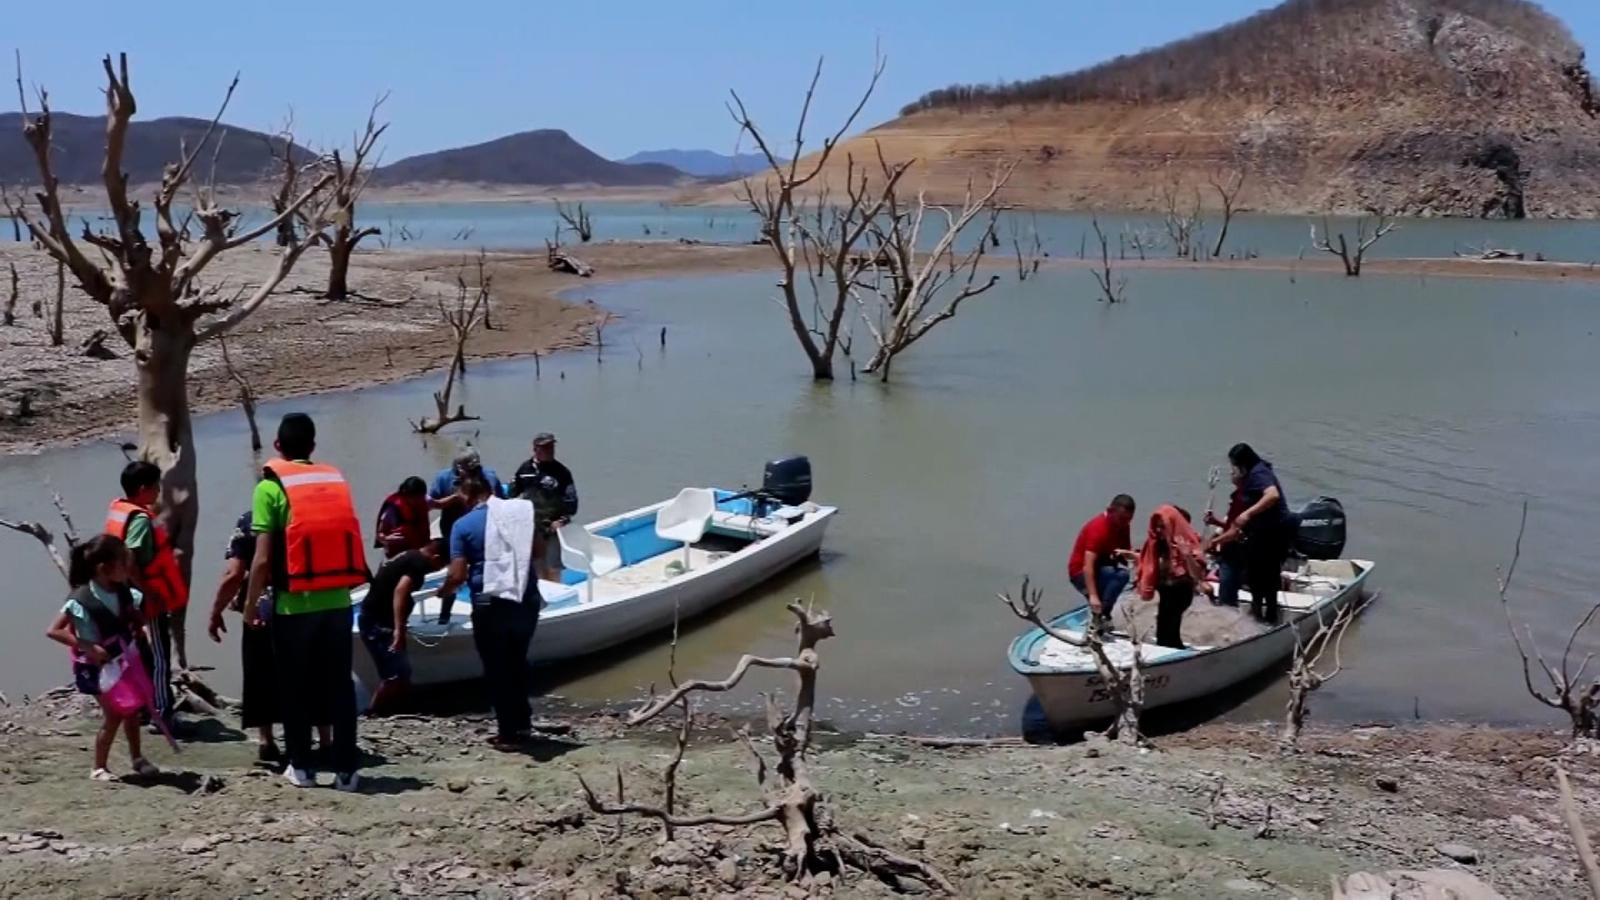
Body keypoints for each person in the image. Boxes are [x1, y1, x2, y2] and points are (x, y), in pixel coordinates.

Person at [244, 413, 370, 791]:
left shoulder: (269, 489)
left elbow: (263, 559)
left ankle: (302, 768)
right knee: (340, 687)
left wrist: (250, 607)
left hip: (293, 606)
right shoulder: (334, 480)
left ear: (278, 447)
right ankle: (347, 770)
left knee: (294, 687)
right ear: (313, 448)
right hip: (338, 602)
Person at [206, 511, 333, 764]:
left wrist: (215, 611)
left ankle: (267, 740)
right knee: (312, 671)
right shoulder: (308, 514)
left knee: (260, 668)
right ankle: (326, 740)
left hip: (263, 607)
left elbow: (234, 573)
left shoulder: (249, 521)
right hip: (308, 603)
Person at [438, 472, 540, 751]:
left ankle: (508, 732)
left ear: (466, 496)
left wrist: (444, 591)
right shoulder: (519, 514)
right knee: (517, 660)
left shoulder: (462, 525)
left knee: (497, 667)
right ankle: (523, 723)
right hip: (524, 598)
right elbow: (539, 552)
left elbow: (457, 575)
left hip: (489, 604)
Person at [45, 535, 161, 782]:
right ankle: (98, 767)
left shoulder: (126, 593)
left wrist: (142, 630)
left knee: (132, 710)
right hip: (95, 666)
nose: (128, 569)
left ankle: (137, 758)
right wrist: (88, 646)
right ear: (104, 568)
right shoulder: (80, 600)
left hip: (123, 659)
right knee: (114, 714)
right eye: (124, 563)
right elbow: (54, 631)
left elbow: (136, 618)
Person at [103, 461, 186, 733]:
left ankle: (141, 706)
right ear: (142, 489)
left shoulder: (119, 510)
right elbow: (131, 558)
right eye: (156, 487)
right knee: (160, 656)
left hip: (123, 596)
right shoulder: (138, 519)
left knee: (138, 654)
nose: (158, 492)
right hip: (143, 597)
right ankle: (162, 714)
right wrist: (149, 593)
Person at [1210, 443, 1292, 624]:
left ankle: (1270, 615)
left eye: (1234, 465)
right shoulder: (1251, 476)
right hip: (1259, 532)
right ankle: (1257, 613)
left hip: (1273, 532)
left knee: (1268, 576)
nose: (1233, 469)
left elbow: (1273, 495)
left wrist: (1248, 513)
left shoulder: (1258, 473)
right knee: (1255, 574)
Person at [359, 539, 444, 713]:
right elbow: (401, 591)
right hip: (378, 623)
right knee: (393, 676)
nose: (438, 570)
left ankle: (400, 708)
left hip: (374, 617)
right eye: (441, 565)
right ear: (436, 557)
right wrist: (399, 629)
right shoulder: (418, 564)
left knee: (403, 673)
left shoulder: (410, 554)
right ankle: (373, 713)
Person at [1136, 505, 1212, 650]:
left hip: (1180, 590)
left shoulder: (1186, 542)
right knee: (1162, 627)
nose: (1159, 530)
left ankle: (1174, 652)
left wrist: (1187, 555)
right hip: (1164, 590)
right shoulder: (1155, 544)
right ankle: (1164, 649)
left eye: (1162, 527)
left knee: (1170, 625)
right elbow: (1147, 564)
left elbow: (1197, 575)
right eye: (1157, 526)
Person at [511, 433, 578, 580]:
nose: (550, 450)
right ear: (535, 449)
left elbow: (572, 502)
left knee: (554, 568)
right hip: (530, 528)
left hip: (553, 528)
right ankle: (541, 599)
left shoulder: (562, 472)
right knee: (536, 567)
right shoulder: (524, 470)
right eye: (546, 447)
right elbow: (512, 495)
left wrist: (562, 520)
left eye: (552, 447)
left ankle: (556, 595)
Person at [1068, 495, 1138, 624]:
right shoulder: (1098, 528)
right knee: (1116, 578)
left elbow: (1126, 555)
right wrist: (1093, 596)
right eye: (1121, 518)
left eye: (1129, 519)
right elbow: (1087, 565)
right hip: (1080, 572)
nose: (1125, 523)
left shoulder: (1123, 526)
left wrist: (1134, 558)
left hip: (1102, 567)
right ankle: (1100, 616)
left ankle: (1102, 615)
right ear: (1110, 511)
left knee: (1123, 575)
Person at [429, 449, 504, 549]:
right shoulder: (443, 478)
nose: (474, 474)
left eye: (476, 470)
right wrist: (454, 498)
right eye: (469, 470)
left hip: (482, 527)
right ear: (459, 468)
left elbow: (501, 503)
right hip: (452, 527)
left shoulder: (490, 478)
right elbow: (431, 504)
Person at [1204, 468, 1250, 608]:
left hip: (1235, 553)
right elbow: (1231, 525)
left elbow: (1236, 531)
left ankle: (1227, 611)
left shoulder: (1244, 500)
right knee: (1227, 588)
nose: (1230, 474)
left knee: (1228, 592)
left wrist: (1214, 542)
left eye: (1234, 472)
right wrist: (1214, 521)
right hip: (1230, 552)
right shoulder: (1239, 499)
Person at [375, 476, 431, 557]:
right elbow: (380, 534)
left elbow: (439, 504)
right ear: (407, 495)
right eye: (416, 498)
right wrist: (386, 539)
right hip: (400, 554)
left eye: (421, 497)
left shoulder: (424, 501)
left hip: (421, 549)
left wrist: (454, 497)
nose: (419, 501)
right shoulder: (393, 509)